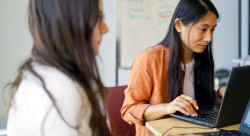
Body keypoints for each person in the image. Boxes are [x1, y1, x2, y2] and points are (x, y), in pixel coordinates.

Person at [6, 0, 111, 136]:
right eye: (98, 19)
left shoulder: (40, 75)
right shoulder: (61, 92)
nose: (105, 28)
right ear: (71, 22)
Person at [121, 0, 226, 135]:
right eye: (203, 29)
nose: (209, 38)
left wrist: (219, 96)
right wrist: (167, 108)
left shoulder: (205, 58)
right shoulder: (148, 59)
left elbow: (198, 102)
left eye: (212, 30)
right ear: (179, 25)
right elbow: (129, 110)